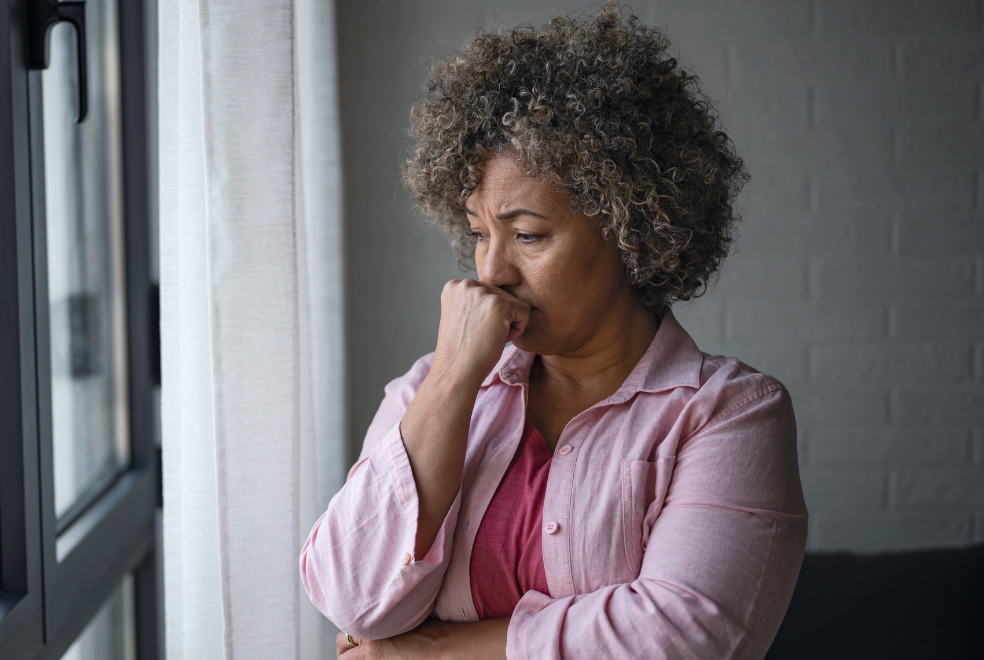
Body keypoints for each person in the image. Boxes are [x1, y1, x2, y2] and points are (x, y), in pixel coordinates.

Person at [299, 4, 807, 658]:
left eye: (528, 235)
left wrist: (429, 652)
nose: (490, 271)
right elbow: (350, 599)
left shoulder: (728, 414)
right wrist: (452, 379)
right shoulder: (431, 388)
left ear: (629, 229)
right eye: (479, 233)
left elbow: (681, 636)